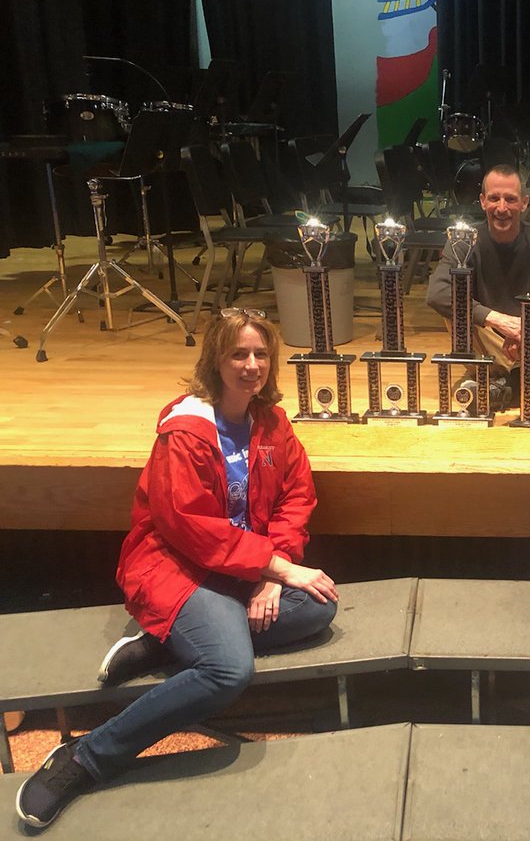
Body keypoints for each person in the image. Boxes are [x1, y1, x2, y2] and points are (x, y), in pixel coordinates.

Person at [16, 309, 339, 831]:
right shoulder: (186, 430)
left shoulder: (272, 424)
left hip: (240, 569)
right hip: (177, 567)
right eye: (239, 353)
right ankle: (84, 759)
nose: (252, 365)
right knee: (229, 670)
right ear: (215, 357)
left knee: (318, 607)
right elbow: (188, 526)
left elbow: (296, 499)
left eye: (261, 354)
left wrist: (269, 576)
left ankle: (167, 642)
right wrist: (274, 564)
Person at [426, 163, 530, 409]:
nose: (502, 208)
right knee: (453, 304)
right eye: (494, 198)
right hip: (487, 338)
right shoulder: (463, 240)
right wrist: (497, 320)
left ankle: (497, 388)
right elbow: (436, 292)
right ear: (483, 201)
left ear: (524, 203)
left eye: (510, 199)